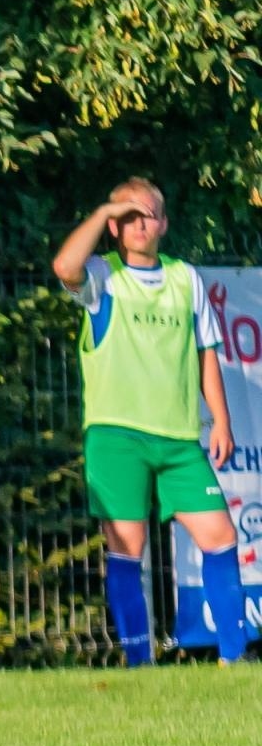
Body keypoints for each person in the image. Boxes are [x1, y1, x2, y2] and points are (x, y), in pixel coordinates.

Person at [51, 177, 249, 666]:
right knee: (126, 548)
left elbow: (207, 353)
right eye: (129, 216)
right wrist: (102, 210)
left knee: (221, 536)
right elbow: (63, 266)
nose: (141, 224)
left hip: (179, 437)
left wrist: (220, 421)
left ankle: (234, 657)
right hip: (117, 434)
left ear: (163, 222)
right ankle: (139, 665)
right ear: (116, 226)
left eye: (149, 215)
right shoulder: (103, 276)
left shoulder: (185, 278)